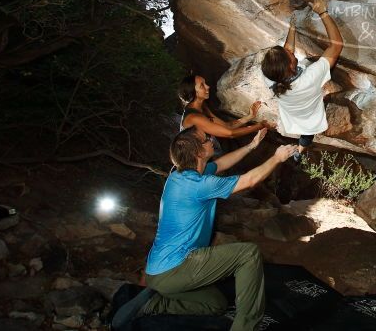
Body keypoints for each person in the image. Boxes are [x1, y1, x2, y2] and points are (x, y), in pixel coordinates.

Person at [112, 126, 298, 331]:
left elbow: (219, 164)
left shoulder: (179, 174)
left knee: (214, 304)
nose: (211, 139)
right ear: (199, 153)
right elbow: (250, 180)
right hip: (176, 267)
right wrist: (277, 158)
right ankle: (245, 327)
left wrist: (251, 146)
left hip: (158, 271)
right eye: (206, 139)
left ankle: (153, 304)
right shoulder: (200, 185)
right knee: (249, 253)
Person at [260, 0, 343, 160]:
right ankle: (299, 152)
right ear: (290, 66)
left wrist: (292, 28)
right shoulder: (310, 77)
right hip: (310, 115)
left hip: (293, 114)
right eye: (289, 55)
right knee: (307, 134)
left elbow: (287, 52)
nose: (290, 51)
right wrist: (323, 13)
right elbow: (337, 45)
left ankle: (298, 152)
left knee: (304, 134)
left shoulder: (269, 76)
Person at [178, 73, 272, 155]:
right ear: (193, 92)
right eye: (202, 85)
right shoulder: (193, 118)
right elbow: (230, 133)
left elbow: (227, 126)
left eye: (205, 83)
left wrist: (249, 116)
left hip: (210, 159)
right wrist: (260, 125)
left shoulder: (202, 108)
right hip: (198, 167)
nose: (208, 86)